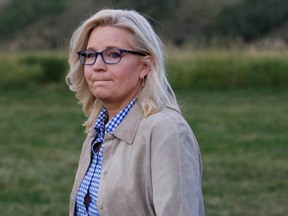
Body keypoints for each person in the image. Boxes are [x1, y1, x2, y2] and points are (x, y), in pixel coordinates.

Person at [66, 9, 204, 216]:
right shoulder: (98, 130)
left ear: (145, 66)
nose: (97, 66)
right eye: (90, 55)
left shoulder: (167, 132)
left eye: (113, 54)